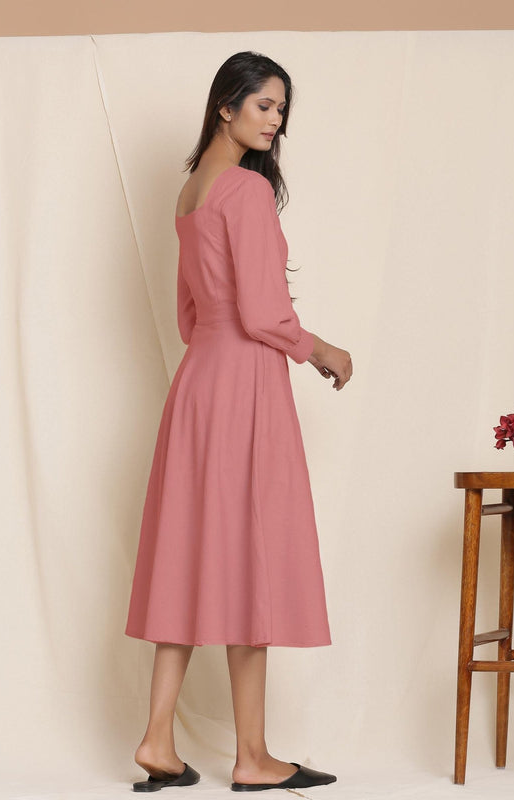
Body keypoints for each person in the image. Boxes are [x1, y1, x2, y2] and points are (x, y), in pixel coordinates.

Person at [125, 51, 352, 793]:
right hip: (246, 387)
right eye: (263, 106)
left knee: (191, 560)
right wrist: (320, 349)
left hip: (197, 388)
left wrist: (233, 339)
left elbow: (192, 317)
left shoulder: (190, 195)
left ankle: (158, 738)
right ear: (225, 105)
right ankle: (252, 758)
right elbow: (261, 313)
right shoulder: (248, 195)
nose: (274, 121)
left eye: (281, 111)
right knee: (249, 561)